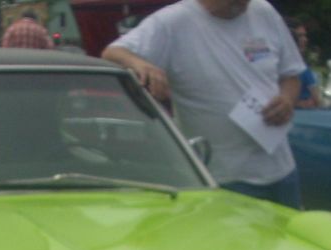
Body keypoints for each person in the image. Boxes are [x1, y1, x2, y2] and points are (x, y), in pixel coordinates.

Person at [102, 0, 305, 208]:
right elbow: (113, 53)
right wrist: (142, 65)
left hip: (281, 171)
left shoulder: (263, 11)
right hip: (221, 178)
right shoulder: (173, 22)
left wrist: (287, 99)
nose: (243, 5)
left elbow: (291, 74)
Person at [291, 21, 320, 109]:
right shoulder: (301, 69)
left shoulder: (304, 67)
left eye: (305, 35)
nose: (305, 39)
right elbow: (317, 100)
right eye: (299, 36)